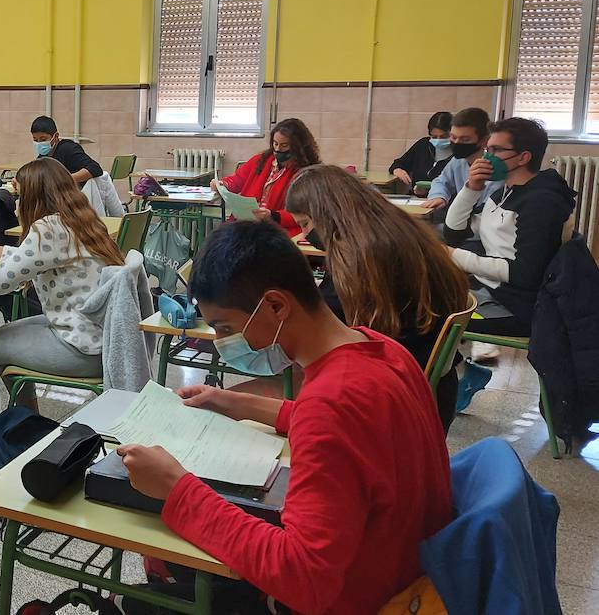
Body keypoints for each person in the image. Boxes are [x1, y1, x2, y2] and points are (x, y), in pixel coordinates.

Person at [118, 220, 452, 614]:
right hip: (402, 573)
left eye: (226, 328)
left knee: (139, 600)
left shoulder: (331, 404)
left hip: (351, 600)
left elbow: (304, 579)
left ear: (276, 306)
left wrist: (177, 488)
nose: (225, 343)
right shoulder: (383, 350)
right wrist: (233, 402)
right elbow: (355, 432)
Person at [0, 157, 124, 476]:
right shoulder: (79, 218)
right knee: (4, 343)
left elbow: (0, 283)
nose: (17, 200)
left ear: (36, 195)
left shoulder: (47, 228)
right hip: (97, 337)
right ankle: (29, 429)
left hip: (80, 347)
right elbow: (42, 258)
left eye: (20, 193)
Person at [286, 164, 470, 431]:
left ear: (325, 212)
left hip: (396, 395)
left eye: (305, 223)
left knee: (286, 377)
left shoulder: (359, 254)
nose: (304, 235)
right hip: (434, 385)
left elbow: (321, 320)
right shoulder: (394, 225)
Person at [445, 117, 575, 338]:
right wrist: (472, 187)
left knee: (430, 319)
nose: (486, 157)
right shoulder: (506, 192)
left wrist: (455, 256)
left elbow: (526, 274)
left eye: (496, 150)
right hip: (489, 289)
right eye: (487, 148)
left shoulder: (541, 202)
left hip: (516, 306)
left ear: (523, 157)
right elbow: (454, 233)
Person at [219, 118, 319, 236]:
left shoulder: (307, 172)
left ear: (298, 146)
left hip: (276, 229)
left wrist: (273, 216)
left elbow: (304, 214)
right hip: (248, 224)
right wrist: (223, 184)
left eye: (284, 145)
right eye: (275, 144)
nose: (277, 149)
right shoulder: (262, 160)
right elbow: (237, 180)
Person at [30, 115, 124, 217]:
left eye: (43, 139)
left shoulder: (67, 148)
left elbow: (95, 168)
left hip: (79, 201)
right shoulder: (42, 158)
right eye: (35, 140)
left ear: (55, 136)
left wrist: (65, 180)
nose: (39, 143)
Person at [421, 107, 501, 212]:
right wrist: (439, 196)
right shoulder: (458, 161)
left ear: (484, 140)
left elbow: (487, 208)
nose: (457, 143)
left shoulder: (495, 168)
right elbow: (441, 181)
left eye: (465, 139)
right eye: (453, 137)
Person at [389, 111, 453, 191]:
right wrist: (397, 170)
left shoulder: (459, 154)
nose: (438, 140)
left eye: (444, 136)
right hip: (416, 198)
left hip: (444, 199)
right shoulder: (423, 145)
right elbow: (399, 163)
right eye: (434, 137)